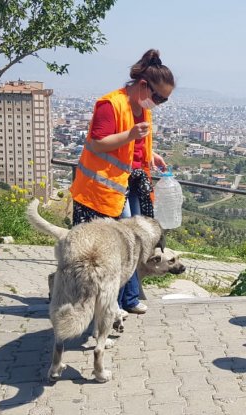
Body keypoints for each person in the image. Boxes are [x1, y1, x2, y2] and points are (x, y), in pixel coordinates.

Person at [68, 49, 174, 314]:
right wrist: (129, 135)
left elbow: (136, 147)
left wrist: (152, 155)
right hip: (106, 188)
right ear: (142, 85)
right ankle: (110, 305)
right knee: (120, 247)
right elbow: (97, 143)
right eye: (158, 97)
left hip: (133, 182)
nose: (159, 103)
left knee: (137, 245)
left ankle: (129, 298)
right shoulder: (110, 105)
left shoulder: (142, 107)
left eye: (164, 100)